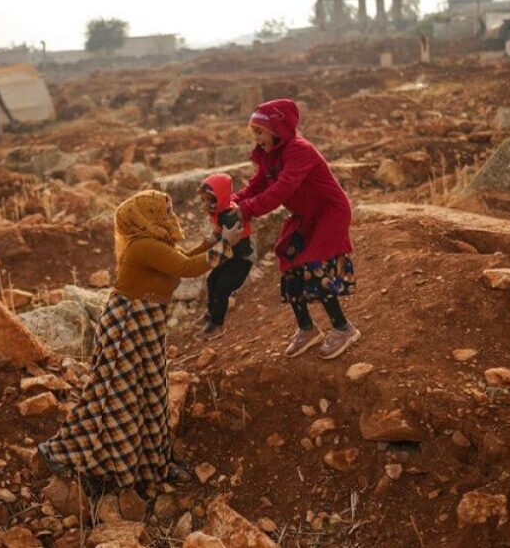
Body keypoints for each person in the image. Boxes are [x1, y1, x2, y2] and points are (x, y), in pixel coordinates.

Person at [38, 190, 242, 492]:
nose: (169, 215)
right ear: (148, 216)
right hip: (127, 327)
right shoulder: (144, 245)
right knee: (115, 397)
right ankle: (61, 452)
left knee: (151, 395)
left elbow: (182, 259)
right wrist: (226, 245)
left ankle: (152, 466)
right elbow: (187, 268)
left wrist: (212, 242)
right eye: (164, 210)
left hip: (145, 326)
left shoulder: (155, 244)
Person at [233, 99, 359, 359]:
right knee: (289, 263)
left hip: (328, 213)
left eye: (259, 131)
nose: (256, 138)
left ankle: (344, 328)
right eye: (254, 132)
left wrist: (246, 210)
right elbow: (258, 185)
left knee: (315, 264)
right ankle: (307, 329)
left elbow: (281, 189)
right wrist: (232, 201)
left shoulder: (299, 150)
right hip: (305, 216)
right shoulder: (270, 155)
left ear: (277, 128)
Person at [189, 173, 254, 340]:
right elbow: (219, 235)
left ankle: (216, 324)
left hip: (241, 260)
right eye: (203, 200)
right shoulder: (220, 213)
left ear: (220, 197)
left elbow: (229, 241)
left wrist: (215, 241)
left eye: (209, 200)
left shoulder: (230, 216)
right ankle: (211, 312)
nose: (206, 204)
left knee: (222, 288)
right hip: (229, 257)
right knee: (212, 281)